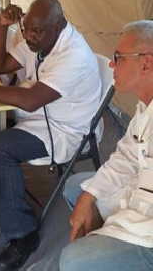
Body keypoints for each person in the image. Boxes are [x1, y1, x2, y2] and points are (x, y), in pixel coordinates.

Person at [0, 0, 102, 270]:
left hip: (70, 129)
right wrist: (3, 25)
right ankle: (4, 195)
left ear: (60, 25)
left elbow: (30, 100)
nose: (29, 36)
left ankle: (22, 235)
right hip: (45, 115)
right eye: (26, 28)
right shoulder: (41, 39)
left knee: (1, 145)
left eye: (36, 31)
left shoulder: (73, 54)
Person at [59, 20, 153, 271]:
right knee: (75, 188)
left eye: (119, 57)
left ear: (146, 62)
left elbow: (145, 207)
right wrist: (89, 197)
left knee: (73, 260)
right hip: (141, 199)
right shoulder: (146, 108)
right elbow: (126, 156)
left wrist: (112, 227)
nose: (111, 64)